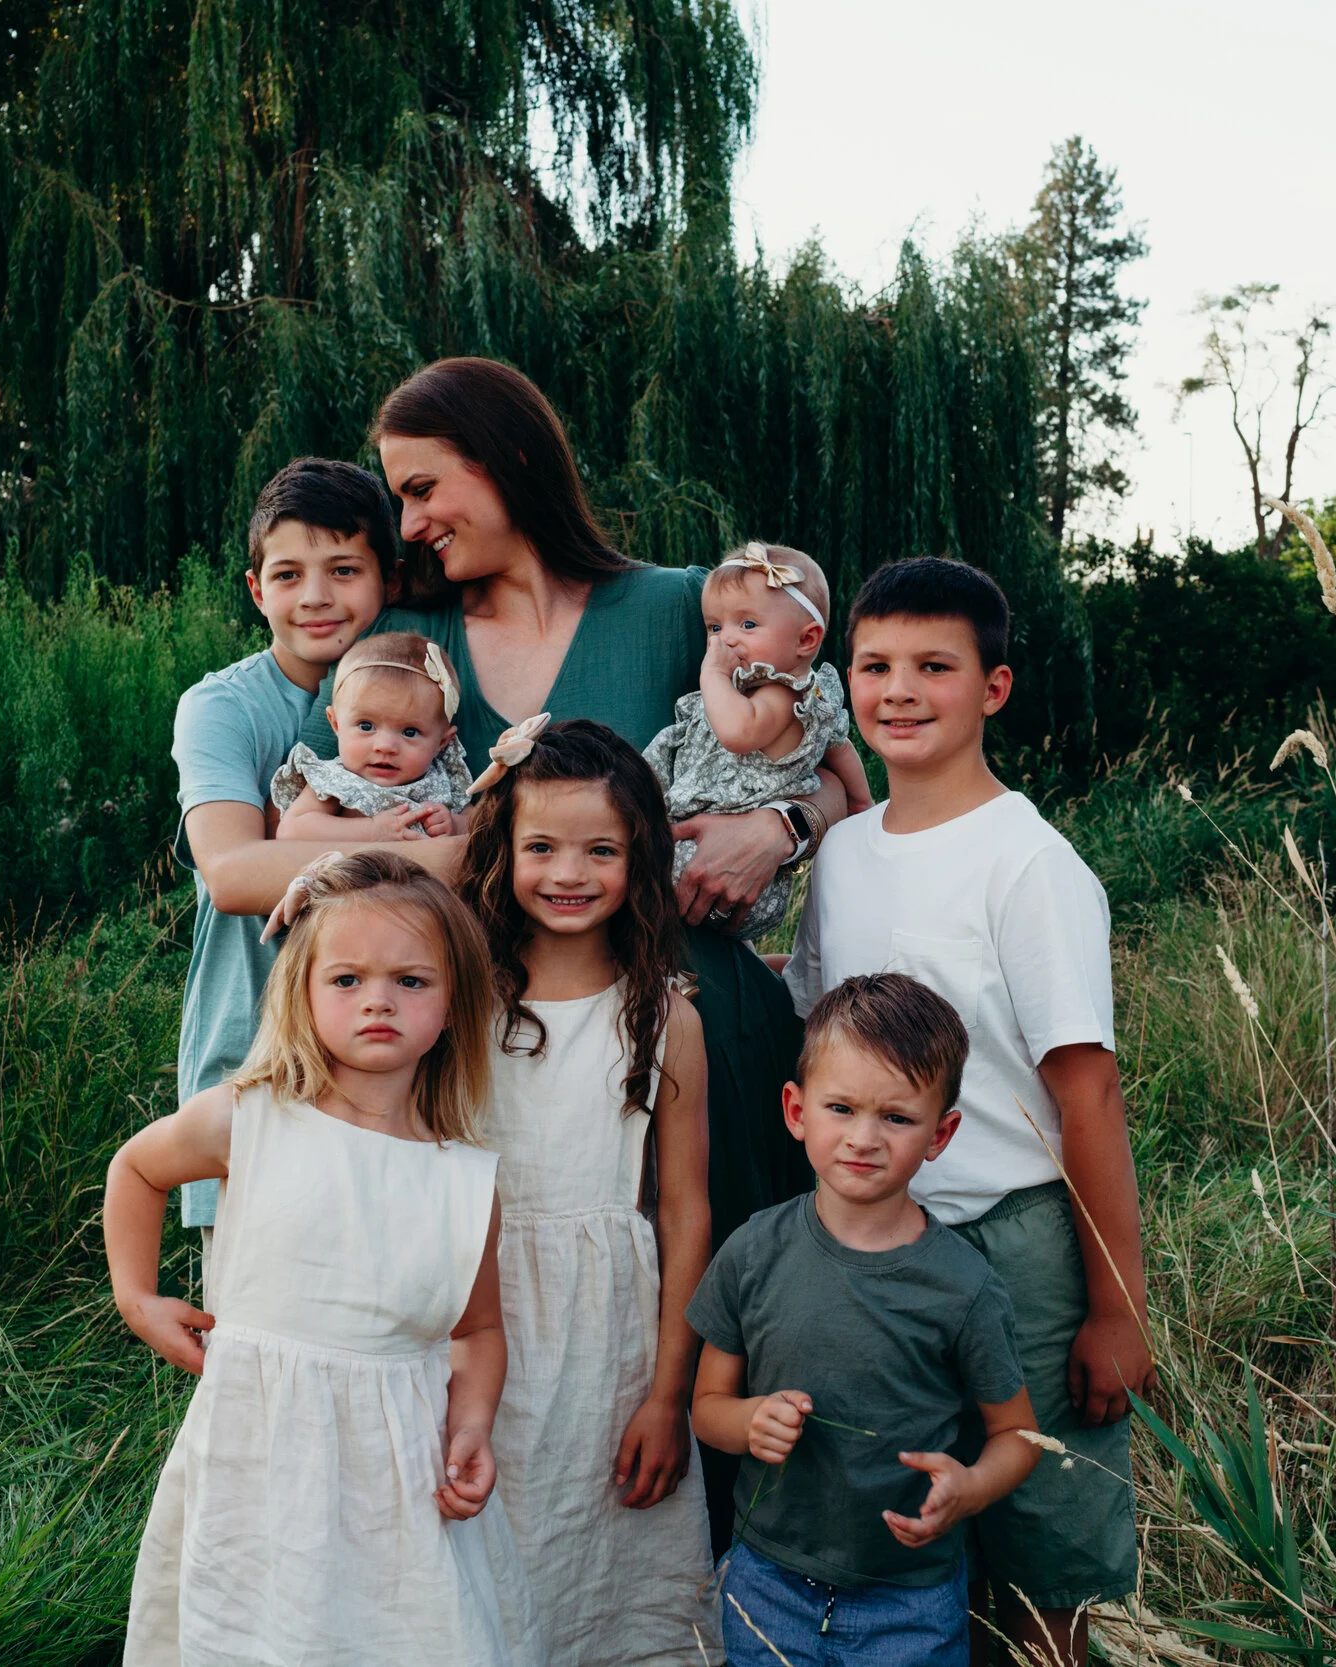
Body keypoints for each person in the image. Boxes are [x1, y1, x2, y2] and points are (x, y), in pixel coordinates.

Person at [293, 358, 865, 1540]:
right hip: (504, 1043)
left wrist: (779, 825)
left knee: (733, 1325)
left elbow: (844, 766)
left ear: (501, 462)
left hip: (694, 1020)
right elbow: (316, 821)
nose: (406, 524)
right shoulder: (408, 642)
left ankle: (770, 1594)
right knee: (525, 1338)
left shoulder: (675, 607)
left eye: (421, 487)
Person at [780, 558, 1153, 1666]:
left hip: (1010, 1241)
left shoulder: (1028, 863)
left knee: (1044, 1539)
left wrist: (1116, 1307)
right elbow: (815, 1019)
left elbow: (1084, 1091)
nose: (899, 690)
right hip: (869, 1240)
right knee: (907, 1520)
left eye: (933, 667)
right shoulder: (844, 853)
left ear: (991, 687)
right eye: (876, 666)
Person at [108, 851, 537, 1665]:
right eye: (348, 979)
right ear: (303, 990)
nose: (379, 998)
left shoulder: (464, 1178)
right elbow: (137, 1167)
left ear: (452, 1006)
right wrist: (139, 1296)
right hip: (261, 1465)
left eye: (411, 980)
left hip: (398, 1484)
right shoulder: (251, 1118)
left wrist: (473, 1423)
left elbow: (478, 1329)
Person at [453, 716, 720, 1663]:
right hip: (473, 1319)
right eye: (541, 847)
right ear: (502, 850)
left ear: (638, 855)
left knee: (603, 1572)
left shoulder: (662, 1016)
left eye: (601, 849)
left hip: (609, 1339)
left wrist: (668, 1394)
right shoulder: (458, 996)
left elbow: (686, 1209)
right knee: (477, 1562)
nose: (569, 872)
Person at [690, 973, 1039, 1667]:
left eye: (897, 1117)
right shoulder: (753, 1250)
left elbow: (1019, 1436)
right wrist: (751, 1419)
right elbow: (707, 1408)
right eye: (840, 1107)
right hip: (768, 1584)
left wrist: (969, 1487)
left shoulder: (962, 1286)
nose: (863, 1137)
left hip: (910, 1602)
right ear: (796, 1110)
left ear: (941, 1133)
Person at [169, 459, 438, 1231]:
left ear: (388, 578)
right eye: (288, 574)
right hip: (255, 1044)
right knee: (252, 1305)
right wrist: (432, 855)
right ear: (257, 590)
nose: (316, 595)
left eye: (344, 569)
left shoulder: (425, 695)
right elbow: (234, 872)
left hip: (389, 1054)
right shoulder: (223, 707)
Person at [642, 541, 872, 941]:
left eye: (747, 625)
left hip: (724, 869)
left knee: (633, 871)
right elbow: (840, 749)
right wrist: (860, 802)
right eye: (715, 627)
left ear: (806, 640)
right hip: (713, 852)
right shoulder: (796, 700)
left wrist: (711, 676)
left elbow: (737, 734)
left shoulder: (781, 696)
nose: (725, 640)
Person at [272, 631, 472, 839]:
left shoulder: (444, 778)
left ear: (441, 741)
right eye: (366, 726)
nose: (385, 746)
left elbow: (480, 823)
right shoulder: (337, 780)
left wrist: (455, 825)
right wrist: (373, 830)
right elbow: (291, 830)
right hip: (349, 870)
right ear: (336, 724)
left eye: (409, 732)